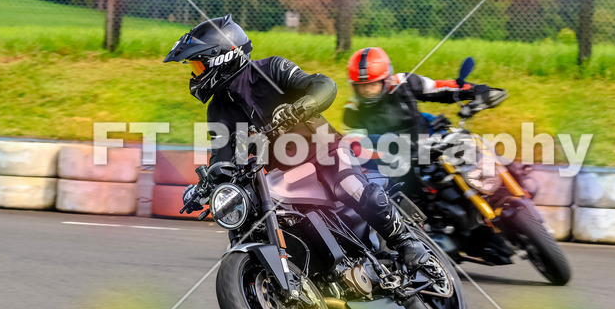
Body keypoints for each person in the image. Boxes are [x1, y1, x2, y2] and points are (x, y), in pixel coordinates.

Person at [163, 15, 429, 268]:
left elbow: (323, 85)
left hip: (325, 152)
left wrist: (303, 105)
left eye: (199, 66)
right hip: (283, 175)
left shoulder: (272, 70)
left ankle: (406, 242)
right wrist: (206, 185)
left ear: (223, 58)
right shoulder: (218, 111)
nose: (195, 75)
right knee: (257, 218)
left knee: (350, 188)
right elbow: (222, 157)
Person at [343, 47, 506, 192]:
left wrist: (473, 91)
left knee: (476, 146)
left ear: (385, 79)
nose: (367, 91)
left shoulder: (404, 82)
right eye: (361, 86)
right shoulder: (353, 109)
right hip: (397, 167)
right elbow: (356, 146)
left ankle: (514, 176)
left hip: (431, 146)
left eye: (372, 85)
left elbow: (440, 88)